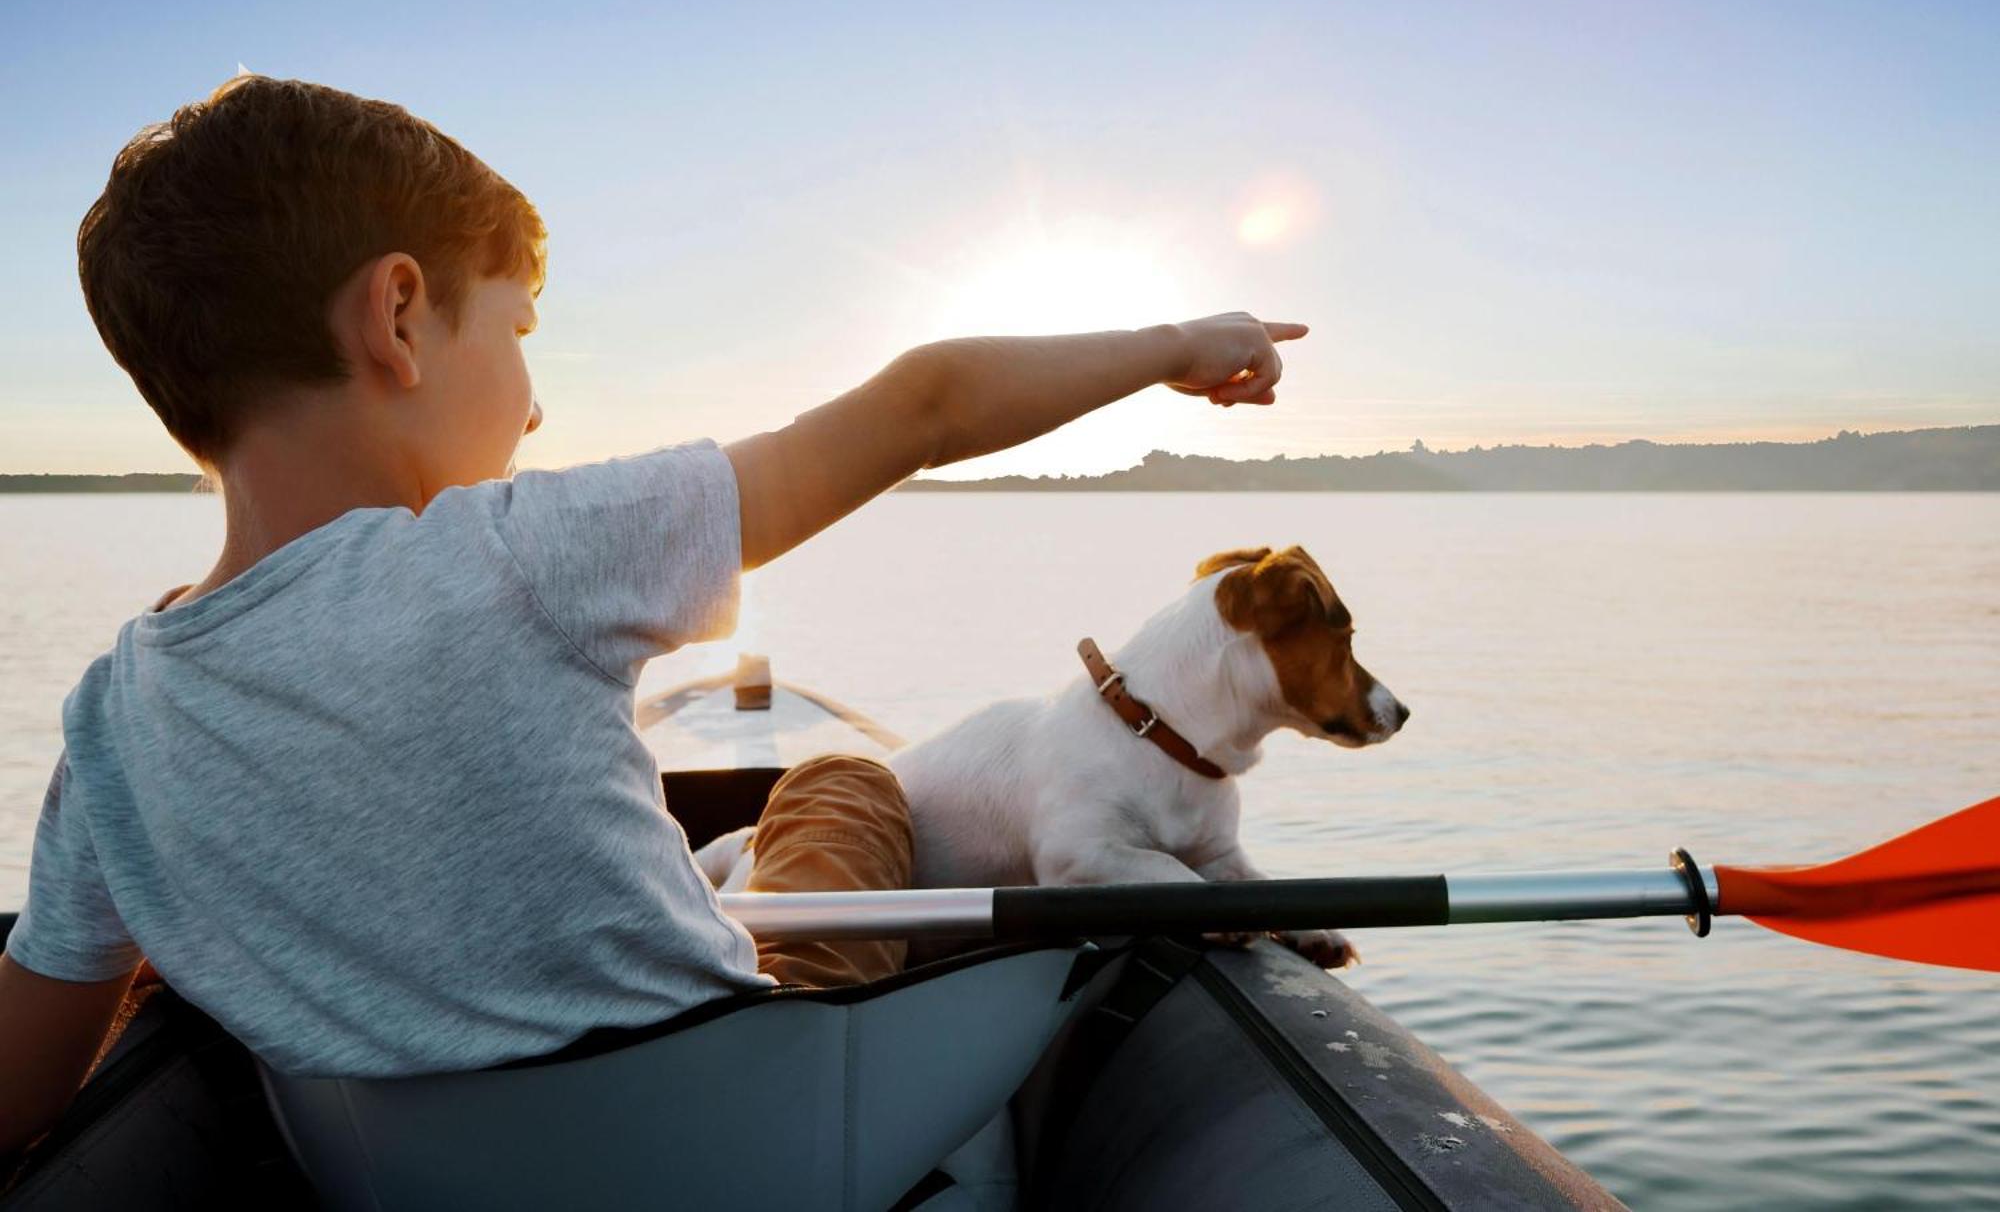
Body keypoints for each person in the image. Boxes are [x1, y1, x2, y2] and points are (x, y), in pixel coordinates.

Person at [0, 74, 1307, 1161]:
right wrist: (1181, 340)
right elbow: (929, 404)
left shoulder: (115, 729)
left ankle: (721, 886)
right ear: (398, 316)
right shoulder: (519, 553)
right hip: (767, 1148)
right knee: (844, 781)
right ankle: (742, 889)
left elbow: (21, 1089)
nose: (534, 406)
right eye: (519, 330)